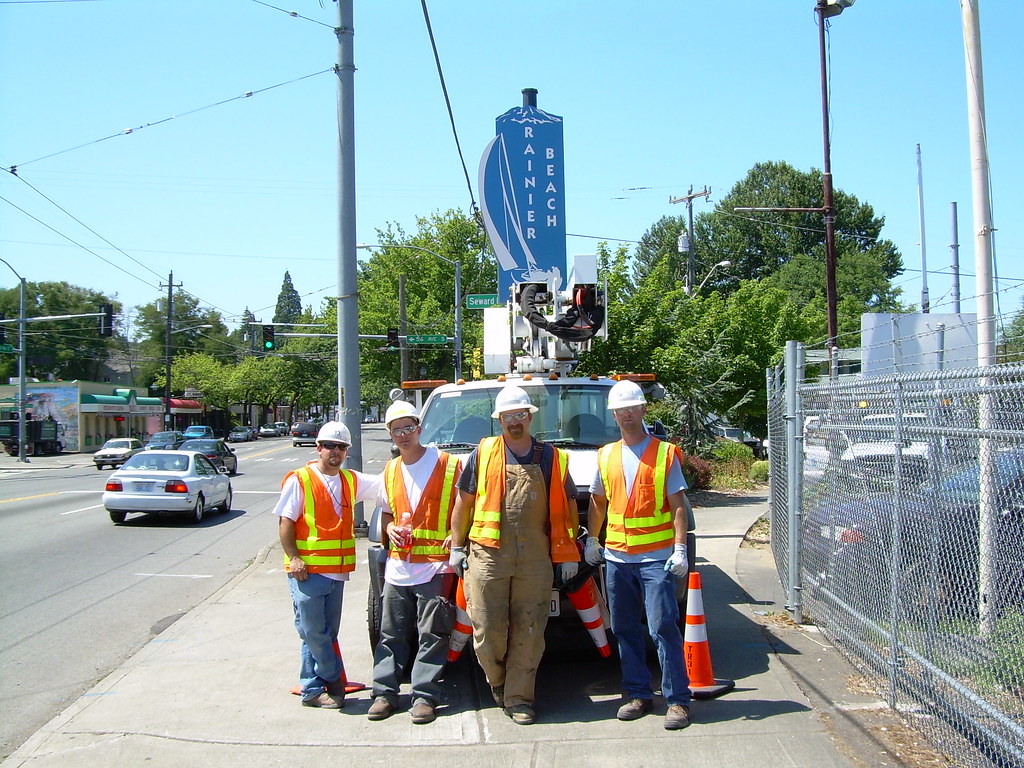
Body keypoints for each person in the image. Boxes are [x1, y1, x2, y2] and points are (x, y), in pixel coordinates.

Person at [448, 384, 580, 726]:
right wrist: (456, 546)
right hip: (488, 554)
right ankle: (500, 682)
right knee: (488, 628)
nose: (515, 422)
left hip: (536, 558)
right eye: (508, 416)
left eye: (520, 414)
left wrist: (569, 550)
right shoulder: (484, 452)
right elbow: (464, 501)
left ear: (530, 416)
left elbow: (567, 509)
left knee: (531, 629)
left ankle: (520, 698)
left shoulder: (552, 457)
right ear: (499, 420)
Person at [585, 379, 694, 731]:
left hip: (656, 558)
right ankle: (637, 694)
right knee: (625, 628)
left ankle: (677, 701)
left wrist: (680, 549)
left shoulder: (664, 454)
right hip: (617, 558)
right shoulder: (605, 455)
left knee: (663, 627)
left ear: (644, 410)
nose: (627, 414)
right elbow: (598, 503)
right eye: (621, 409)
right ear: (613, 415)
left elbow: (678, 506)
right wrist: (592, 540)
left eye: (632, 407)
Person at [274, 421, 382, 709]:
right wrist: (295, 558)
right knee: (312, 631)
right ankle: (332, 678)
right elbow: (285, 522)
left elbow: (388, 484)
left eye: (341, 447)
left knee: (325, 634)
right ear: (318, 448)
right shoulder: (301, 479)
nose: (335, 452)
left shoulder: (349, 480)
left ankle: (312, 690)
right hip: (307, 572)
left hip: (337, 573)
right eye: (330, 446)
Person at [367, 401, 461, 725]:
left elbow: (466, 506)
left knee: (432, 633)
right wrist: (390, 528)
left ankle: (424, 697)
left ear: (420, 429)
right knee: (390, 633)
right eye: (397, 430)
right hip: (399, 566)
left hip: (435, 565)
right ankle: (384, 694)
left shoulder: (448, 464)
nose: (404, 435)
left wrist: (457, 534)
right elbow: (388, 513)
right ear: (390, 435)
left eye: (409, 428)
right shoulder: (391, 469)